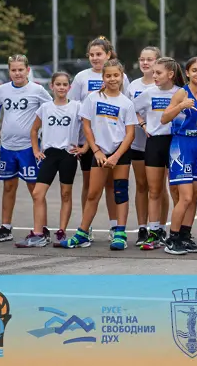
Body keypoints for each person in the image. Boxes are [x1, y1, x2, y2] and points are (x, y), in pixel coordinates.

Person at [60, 59, 137, 249]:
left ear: (122, 77)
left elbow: (130, 134)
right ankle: (82, 234)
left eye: (116, 75)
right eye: (108, 75)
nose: (112, 79)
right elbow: (87, 126)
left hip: (120, 153)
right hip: (100, 153)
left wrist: (116, 156)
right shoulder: (93, 98)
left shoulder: (127, 103)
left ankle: (120, 234)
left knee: (120, 192)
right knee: (93, 194)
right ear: (103, 77)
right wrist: (96, 151)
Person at [69, 36, 131, 241]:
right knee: (91, 189)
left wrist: (116, 154)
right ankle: (84, 230)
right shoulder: (85, 83)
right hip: (93, 146)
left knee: (116, 188)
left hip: (116, 148)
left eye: (99, 54)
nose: (95, 58)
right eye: (92, 54)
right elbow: (78, 113)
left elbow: (127, 123)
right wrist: (90, 147)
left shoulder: (124, 92)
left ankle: (117, 229)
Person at [15, 72, 86, 247]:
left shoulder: (77, 107)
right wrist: (36, 150)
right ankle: (38, 233)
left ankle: (61, 231)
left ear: (69, 87)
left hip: (68, 155)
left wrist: (84, 148)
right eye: (58, 84)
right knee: (37, 193)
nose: (61, 87)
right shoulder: (45, 108)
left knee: (65, 194)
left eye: (65, 84)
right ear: (51, 86)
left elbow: (89, 129)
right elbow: (34, 130)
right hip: (50, 154)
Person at [0, 54, 52, 243]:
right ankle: (6, 227)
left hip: (29, 148)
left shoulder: (37, 90)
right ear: (9, 71)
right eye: (14, 70)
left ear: (28, 70)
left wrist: (44, 135)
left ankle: (42, 229)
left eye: (20, 70)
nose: (17, 73)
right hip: (7, 147)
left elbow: (51, 111)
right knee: (8, 186)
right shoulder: (2, 90)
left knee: (35, 189)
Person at [134, 57, 184, 250]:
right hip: (155, 143)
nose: (154, 76)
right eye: (153, 72)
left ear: (170, 74)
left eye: (158, 73)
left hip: (176, 143)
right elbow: (131, 110)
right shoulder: (148, 93)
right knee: (154, 190)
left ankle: (178, 232)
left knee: (176, 191)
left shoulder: (181, 92)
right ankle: (154, 232)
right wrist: (143, 124)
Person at [161, 57, 197, 255]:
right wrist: (180, 106)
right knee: (186, 197)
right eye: (194, 70)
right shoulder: (182, 93)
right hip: (181, 145)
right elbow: (164, 118)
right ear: (187, 73)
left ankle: (184, 236)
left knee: (194, 196)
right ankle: (172, 239)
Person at [127, 46, 163, 246]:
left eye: (150, 59)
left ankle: (160, 228)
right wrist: (142, 124)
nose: (145, 63)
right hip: (138, 143)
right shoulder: (133, 85)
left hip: (159, 143)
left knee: (159, 188)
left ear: (158, 61)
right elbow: (128, 109)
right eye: (142, 59)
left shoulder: (164, 85)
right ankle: (142, 228)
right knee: (141, 185)